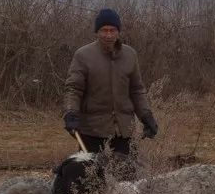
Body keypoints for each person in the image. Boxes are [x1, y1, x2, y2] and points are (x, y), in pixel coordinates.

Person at [63, 8, 158, 158]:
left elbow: (137, 90)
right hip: (92, 131)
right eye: (104, 30)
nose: (108, 35)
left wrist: (146, 116)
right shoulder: (83, 55)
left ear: (118, 31)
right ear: (97, 32)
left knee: (127, 178)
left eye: (112, 30)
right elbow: (74, 89)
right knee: (91, 177)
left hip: (124, 131)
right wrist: (71, 113)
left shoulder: (130, 55)